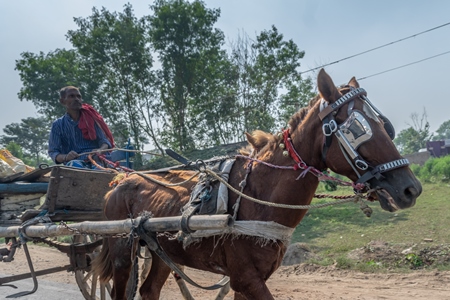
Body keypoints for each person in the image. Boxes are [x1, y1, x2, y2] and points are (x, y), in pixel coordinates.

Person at [48, 86, 115, 169]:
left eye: (78, 96)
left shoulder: (91, 118)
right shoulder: (58, 125)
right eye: (71, 96)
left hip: (97, 161)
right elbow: (53, 152)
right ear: (62, 101)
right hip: (74, 166)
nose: (76, 99)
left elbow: (105, 142)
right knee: (75, 165)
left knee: (100, 169)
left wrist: (100, 150)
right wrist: (66, 157)